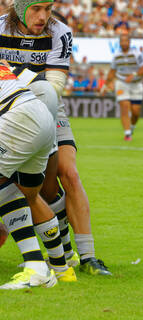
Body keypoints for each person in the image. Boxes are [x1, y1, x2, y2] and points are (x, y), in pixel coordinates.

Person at [1, 0, 111, 276]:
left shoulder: (59, 31)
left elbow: (54, 87)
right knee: (33, 188)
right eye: (37, 9)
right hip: (8, 104)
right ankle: (62, 256)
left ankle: (87, 257)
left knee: (66, 174)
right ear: (20, 7)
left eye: (48, 8)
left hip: (47, 104)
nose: (43, 16)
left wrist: (15, 74)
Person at [0, 60, 73, 289]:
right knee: (30, 196)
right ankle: (62, 268)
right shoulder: (4, 63)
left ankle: (36, 266)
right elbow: (44, 88)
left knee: (5, 189)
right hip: (40, 114)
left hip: (18, 118)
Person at [106, 34, 143, 141]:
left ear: (129, 42)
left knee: (136, 111)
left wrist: (133, 75)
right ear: (119, 43)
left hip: (136, 84)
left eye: (126, 41)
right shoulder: (116, 55)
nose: (124, 43)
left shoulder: (137, 53)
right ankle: (127, 133)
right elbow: (112, 71)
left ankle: (132, 127)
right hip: (121, 83)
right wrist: (107, 84)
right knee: (124, 107)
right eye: (122, 41)